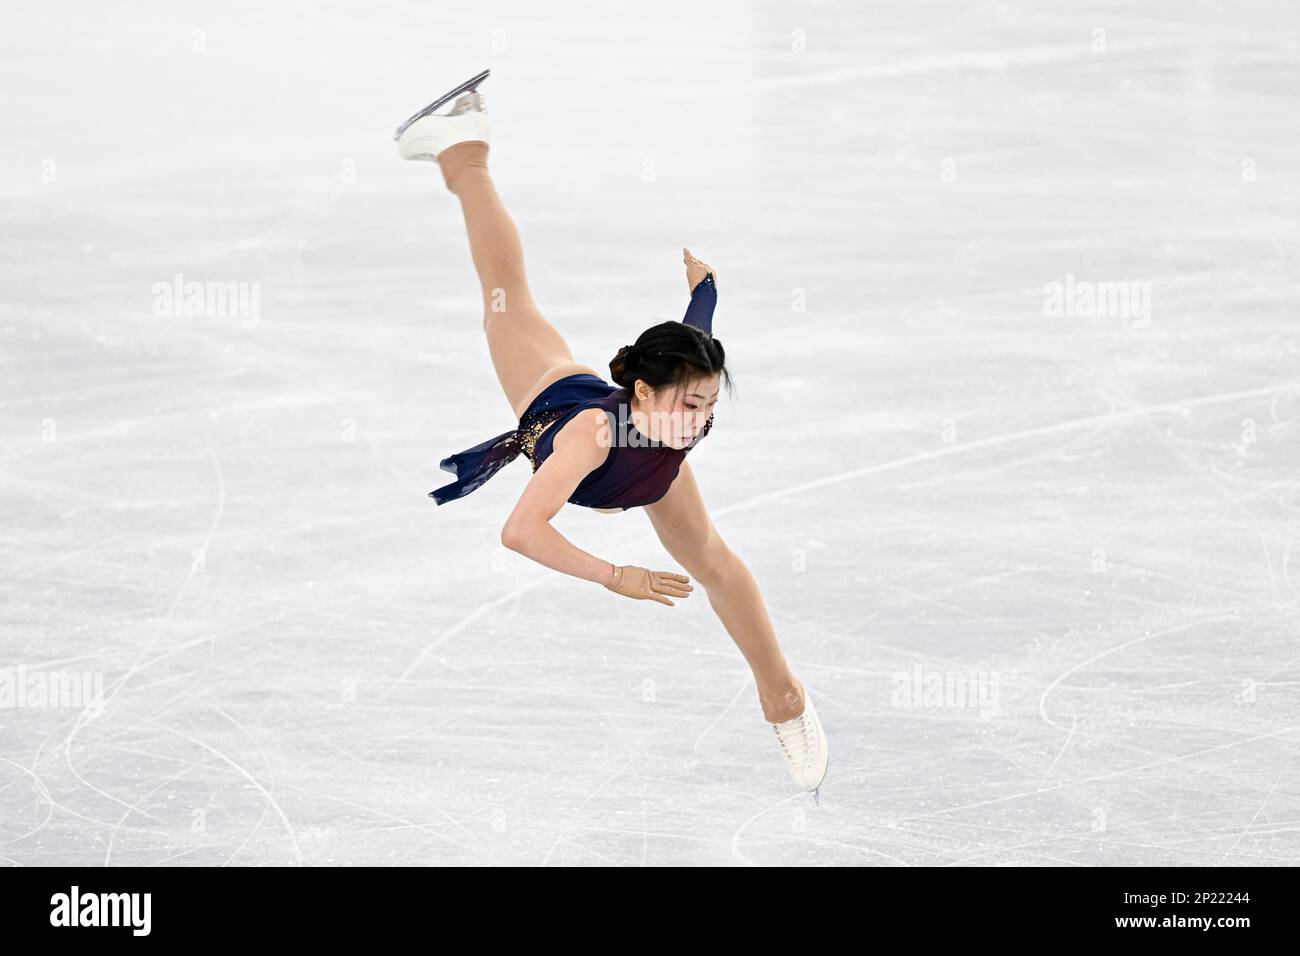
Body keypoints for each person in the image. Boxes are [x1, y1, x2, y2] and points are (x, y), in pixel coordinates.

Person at [396, 72, 827, 795]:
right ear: (643, 392)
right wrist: (614, 575)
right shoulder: (593, 435)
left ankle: (782, 696)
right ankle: (462, 148)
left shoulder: (686, 388)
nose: (701, 422)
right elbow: (522, 532)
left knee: (714, 559)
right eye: (688, 408)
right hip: (552, 398)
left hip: (643, 465)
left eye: (710, 408)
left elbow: (704, 309)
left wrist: (705, 280)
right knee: (505, 289)